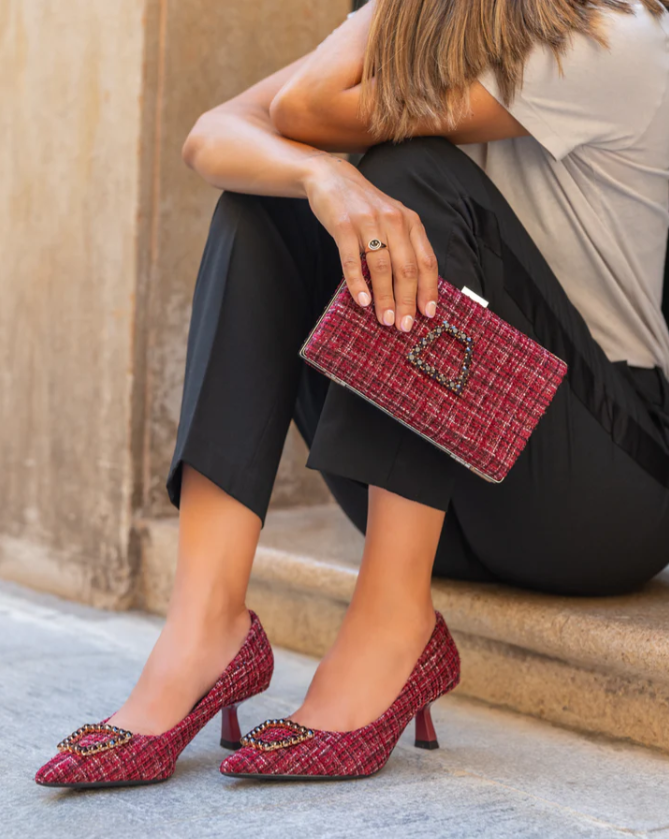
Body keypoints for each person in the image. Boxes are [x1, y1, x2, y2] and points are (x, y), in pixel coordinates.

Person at [36, 0, 669, 787]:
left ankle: (392, 626)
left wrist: (348, 100)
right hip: (444, 494)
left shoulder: (616, 36)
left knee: (408, 176)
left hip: (592, 496)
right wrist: (319, 173)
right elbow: (214, 133)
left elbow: (304, 108)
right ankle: (205, 626)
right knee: (268, 195)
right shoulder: (440, 26)